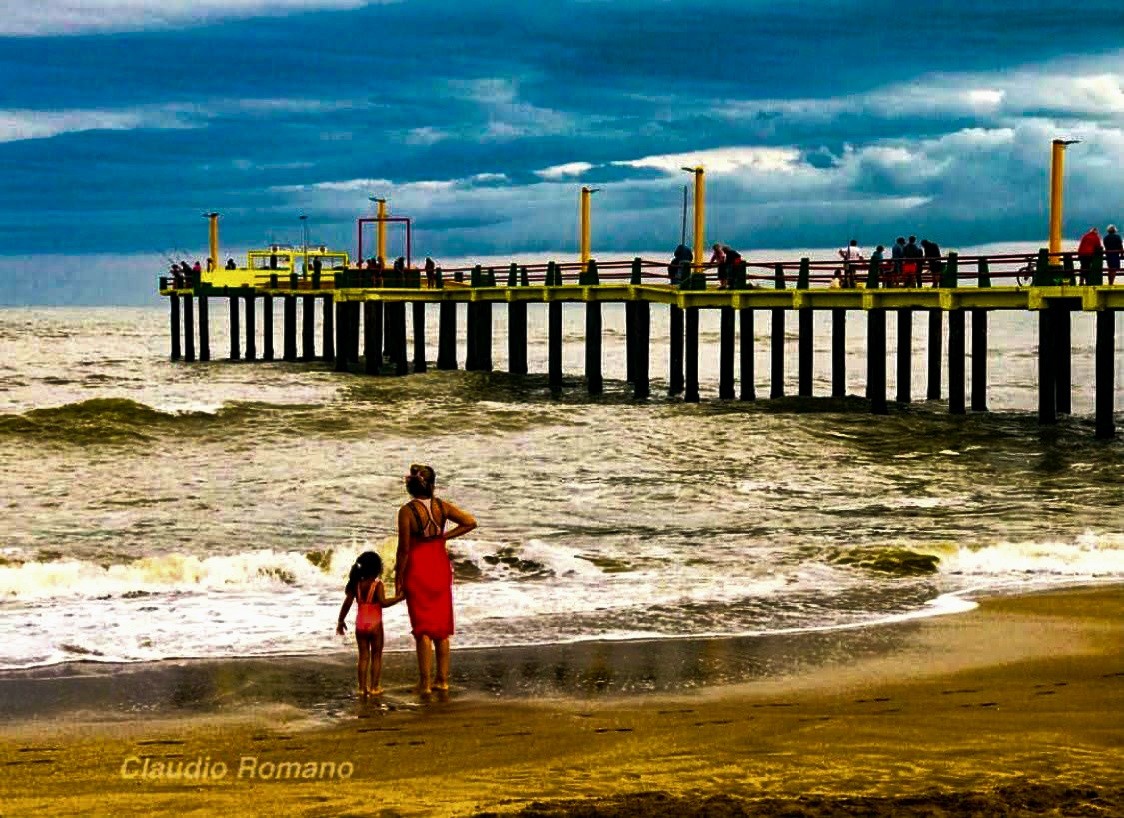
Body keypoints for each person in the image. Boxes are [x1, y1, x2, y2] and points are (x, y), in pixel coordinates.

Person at [395, 464, 477, 695]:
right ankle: (442, 680)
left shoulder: (407, 511)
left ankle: (425, 683)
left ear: (410, 487)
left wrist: (397, 577)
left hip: (418, 567)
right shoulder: (442, 506)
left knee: (422, 629)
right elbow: (470, 522)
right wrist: (444, 536)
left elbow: (403, 550)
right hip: (439, 565)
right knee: (442, 628)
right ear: (432, 485)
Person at [336, 551, 402, 698]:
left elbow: (346, 604)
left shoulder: (356, 585)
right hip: (375, 625)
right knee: (376, 656)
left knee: (363, 657)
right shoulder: (377, 585)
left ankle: (361, 688)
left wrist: (341, 621)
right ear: (377, 568)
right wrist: (399, 598)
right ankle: (374, 687)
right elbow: (383, 603)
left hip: (360, 625)